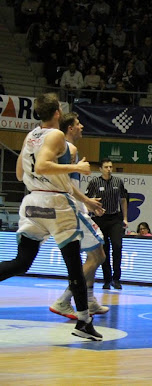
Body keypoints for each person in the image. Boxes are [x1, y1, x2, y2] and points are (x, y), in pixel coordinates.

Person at [0, 93, 103, 340]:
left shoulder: (30, 135)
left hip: (32, 202)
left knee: (22, 262)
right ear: (57, 112)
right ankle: (83, 323)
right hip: (55, 204)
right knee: (74, 266)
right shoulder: (56, 135)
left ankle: (81, 318)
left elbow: (19, 174)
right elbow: (42, 166)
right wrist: (76, 167)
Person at [49, 112, 109, 320]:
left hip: (72, 207)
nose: (82, 126)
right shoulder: (69, 149)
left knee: (94, 255)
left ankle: (89, 300)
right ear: (70, 128)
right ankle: (64, 300)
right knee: (98, 256)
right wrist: (87, 202)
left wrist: (86, 203)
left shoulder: (64, 148)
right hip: (71, 208)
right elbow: (66, 185)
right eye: (78, 123)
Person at [86, 158, 128, 290]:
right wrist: (94, 210)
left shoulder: (118, 182)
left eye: (110, 167)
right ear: (100, 169)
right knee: (104, 250)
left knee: (117, 246)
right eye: (106, 167)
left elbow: (123, 200)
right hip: (100, 219)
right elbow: (87, 200)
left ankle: (117, 279)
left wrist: (125, 218)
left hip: (115, 218)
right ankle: (107, 279)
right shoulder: (94, 182)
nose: (109, 169)